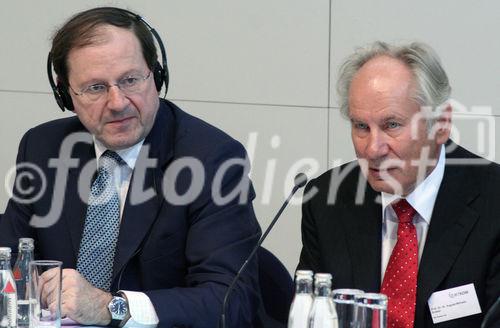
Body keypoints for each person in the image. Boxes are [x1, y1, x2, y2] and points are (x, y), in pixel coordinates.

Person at [0, 7, 262, 328]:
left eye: (130, 80)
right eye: (96, 87)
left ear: (157, 75)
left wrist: (112, 307)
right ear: (65, 93)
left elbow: (230, 302)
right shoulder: (43, 148)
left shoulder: (212, 159)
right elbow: (9, 259)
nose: (118, 102)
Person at [297, 41, 500, 328]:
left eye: (392, 125)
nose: (373, 149)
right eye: (361, 127)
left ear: (441, 124)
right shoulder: (327, 200)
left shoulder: (493, 203)